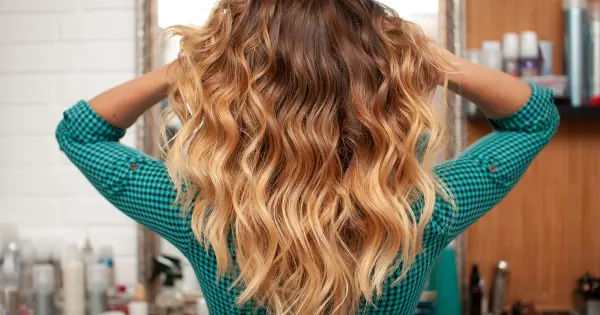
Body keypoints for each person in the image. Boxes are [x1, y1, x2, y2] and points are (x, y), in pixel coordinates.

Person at [55, 0, 559, 314]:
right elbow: (534, 118)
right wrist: (425, 59)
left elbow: (81, 133)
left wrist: (197, 63)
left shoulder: (204, 217)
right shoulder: (421, 214)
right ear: (377, 99)